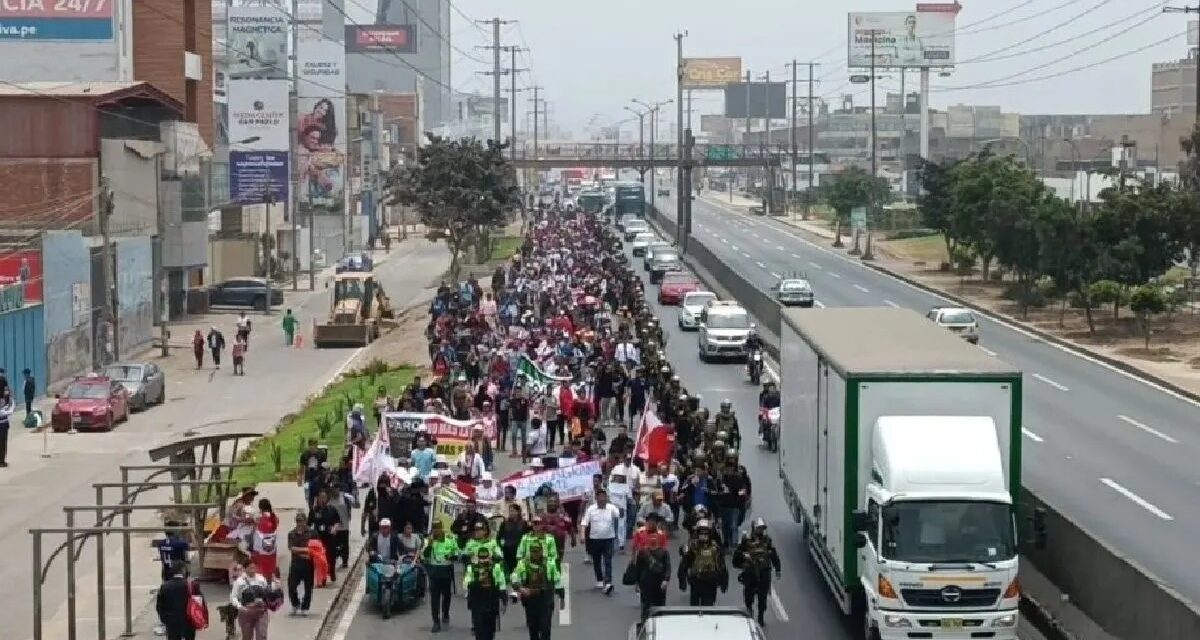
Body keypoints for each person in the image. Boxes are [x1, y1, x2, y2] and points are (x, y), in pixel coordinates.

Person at [510, 541, 565, 640]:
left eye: (537, 551)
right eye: (533, 551)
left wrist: (562, 596)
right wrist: (520, 588)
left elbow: (557, 579)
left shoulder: (549, 563)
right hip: (530, 601)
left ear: (542, 551)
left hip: (545, 599)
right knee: (533, 629)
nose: (535, 554)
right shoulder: (523, 564)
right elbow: (514, 578)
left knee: (545, 628)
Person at [732, 518, 782, 626]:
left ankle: (760, 617)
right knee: (748, 596)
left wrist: (778, 569)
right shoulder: (746, 539)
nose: (760, 531)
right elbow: (737, 555)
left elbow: (774, 555)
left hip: (764, 572)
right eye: (758, 528)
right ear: (754, 528)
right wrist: (743, 556)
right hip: (750, 572)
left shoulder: (767, 540)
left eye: (762, 529)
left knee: (762, 597)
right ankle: (749, 612)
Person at [626, 516, 671, 623]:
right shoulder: (642, 550)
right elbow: (638, 567)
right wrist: (637, 582)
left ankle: (660, 624)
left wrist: (666, 580)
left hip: (659, 580)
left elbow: (667, 566)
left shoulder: (663, 551)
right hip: (645, 580)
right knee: (646, 604)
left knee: (660, 604)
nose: (653, 540)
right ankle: (644, 624)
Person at [678, 519, 727, 606]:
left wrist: (724, 582)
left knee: (708, 607)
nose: (703, 535)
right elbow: (683, 565)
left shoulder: (715, 548)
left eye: (706, 533)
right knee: (695, 608)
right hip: (696, 581)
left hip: (711, 582)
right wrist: (682, 581)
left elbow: (722, 565)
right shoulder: (692, 547)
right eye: (701, 532)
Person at [580, 488, 620, 595]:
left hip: (609, 538)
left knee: (608, 561)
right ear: (596, 498)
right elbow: (584, 523)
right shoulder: (591, 509)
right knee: (597, 560)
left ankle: (608, 582)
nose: (602, 499)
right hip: (595, 539)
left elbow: (618, 514)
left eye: (604, 497)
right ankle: (599, 579)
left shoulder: (611, 508)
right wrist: (582, 535)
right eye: (600, 497)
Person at [422, 521, 459, 632]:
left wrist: (451, 556)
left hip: (446, 571)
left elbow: (456, 553)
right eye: (434, 528)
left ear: (441, 528)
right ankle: (436, 622)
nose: (436, 530)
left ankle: (445, 612)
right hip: (434, 572)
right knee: (434, 598)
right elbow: (425, 556)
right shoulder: (428, 541)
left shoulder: (449, 540)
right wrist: (429, 544)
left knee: (446, 595)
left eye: (438, 528)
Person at [463, 547, 508, 640]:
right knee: (479, 631)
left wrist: (504, 600)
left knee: (490, 631)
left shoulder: (496, 568)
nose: (483, 560)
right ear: (477, 558)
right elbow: (466, 584)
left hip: (491, 602)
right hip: (477, 602)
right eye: (481, 558)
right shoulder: (471, 568)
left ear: (490, 557)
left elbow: (502, 583)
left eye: (485, 557)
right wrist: (478, 581)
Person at [155, 562, 204, 640]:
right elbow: (200, 603)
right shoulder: (192, 585)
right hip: (189, 621)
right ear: (183, 570)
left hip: (172, 622)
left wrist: (165, 619)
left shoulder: (165, 586)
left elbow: (160, 606)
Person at [230, 559, 270, 639]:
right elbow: (233, 597)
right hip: (246, 612)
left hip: (261, 612)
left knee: (262, 635)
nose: (253, 570)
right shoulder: (239, 581)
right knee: (247, 636)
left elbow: (267, 593)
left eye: (254, 568)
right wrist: (240, 607)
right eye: (250, 568)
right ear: (245, 569)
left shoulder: (261, 579)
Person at [308, 488, 341, 583]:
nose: (323, 500)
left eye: (324, 498)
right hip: (319, 538)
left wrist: (335, 528)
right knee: (321, 559)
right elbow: (309, 524)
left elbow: (337, 522)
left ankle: (332, 571)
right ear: (317, 498)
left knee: (331, 557)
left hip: (330, 537)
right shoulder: (314, 511)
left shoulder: (332, 509)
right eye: (321, 498)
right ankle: (323, 577)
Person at [286, 513, 315, 615]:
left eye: (301, 520)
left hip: (308, 564)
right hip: (296, 563)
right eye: (297, 520)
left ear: (305, 521)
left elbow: (315, 548)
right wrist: (306, 550)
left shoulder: (312, 533)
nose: (299, 523)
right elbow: (291, 548)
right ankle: (295, 604)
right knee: (291, 586)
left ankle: (305, 607)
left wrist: (306, 551)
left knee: (308, 587)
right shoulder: (291, 534)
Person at [0, 388, 13, 466]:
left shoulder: (9, 400)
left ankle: (2, 461)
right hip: (3, 422)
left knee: (3, 442)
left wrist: (3, 412)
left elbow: (10, 411)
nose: (6, 392)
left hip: (4, 424)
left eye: (7, 390)